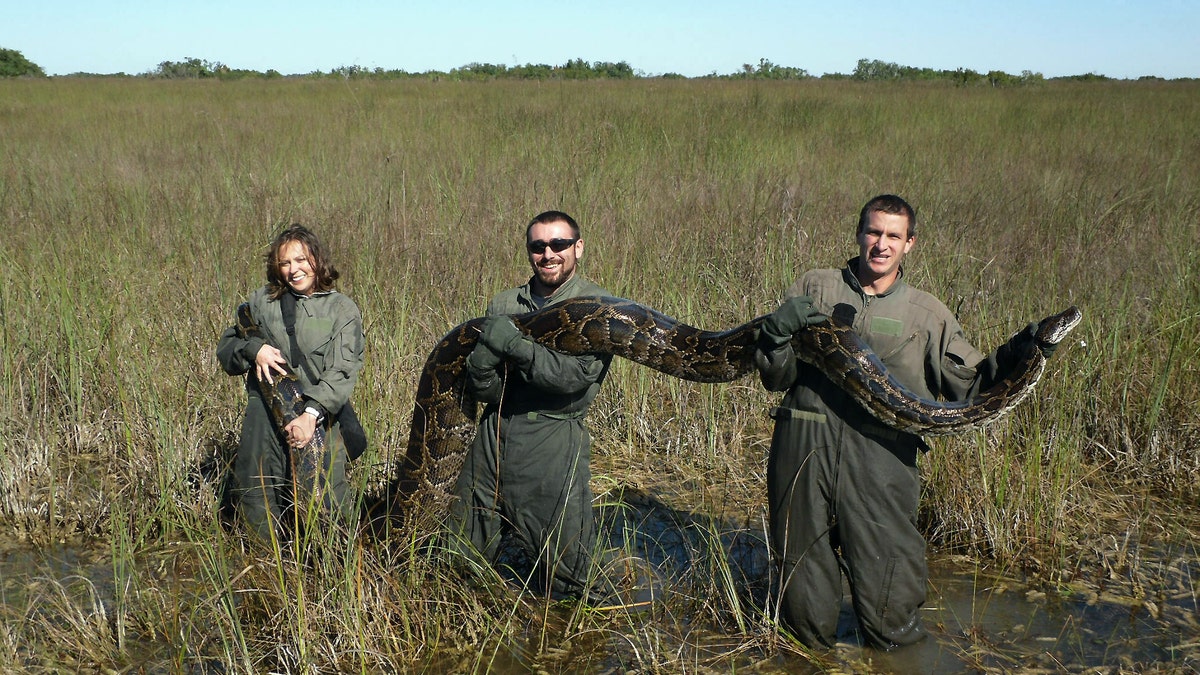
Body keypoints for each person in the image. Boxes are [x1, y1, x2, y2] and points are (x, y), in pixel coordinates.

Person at [754, 194, 1057, 650]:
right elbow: (777, 377)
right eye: (874, 232)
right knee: (800, 588)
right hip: (804, 444)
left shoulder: (927, 314)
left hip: (882, 458)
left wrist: (1023, 352)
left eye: (893, 236)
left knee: (889, 599)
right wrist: (775, 335)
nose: (881, 244)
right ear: (859, 234)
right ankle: (808, 655)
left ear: (910, 243)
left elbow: (972, 390)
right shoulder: (814, 288)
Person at [447, 210, 614, 602]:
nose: (549, 254)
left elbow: (572, 378)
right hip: (494, 432)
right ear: (529, 251)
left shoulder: (599, 306)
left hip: (553, 435)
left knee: (567, 576)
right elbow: (488, 388)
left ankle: (564, 645)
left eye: (559, 244)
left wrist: (515, 346)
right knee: (462, 550)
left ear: (578, 247)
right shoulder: (505, 303)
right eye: (538, 246)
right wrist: (482, 372)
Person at [216, 223, 365, 544]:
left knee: (328, 504)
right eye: (285, 263)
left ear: (317, 259)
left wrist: (311, 414)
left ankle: (331, 575)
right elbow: (227, 352)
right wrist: (253, 349)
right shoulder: (261, 302)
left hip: (319, 417)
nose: (294, 270)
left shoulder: (341, 309)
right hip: (264, 415)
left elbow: (342, 370)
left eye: (301, 260)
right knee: (257, 493)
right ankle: (267, 573)